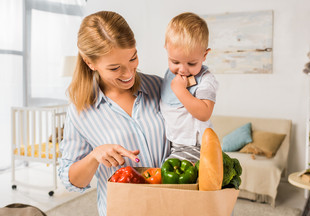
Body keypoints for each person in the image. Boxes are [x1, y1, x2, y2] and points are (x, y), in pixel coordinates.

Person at [58, 11, 170, 216]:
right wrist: (94, 156)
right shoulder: (80, 110)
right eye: (115, 68)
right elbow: (72, 181)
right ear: (90, 63)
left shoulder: (160, 87)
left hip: (172, 207)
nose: (128, 73)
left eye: (133, 58)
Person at [160, 12, 219, 163]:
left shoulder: (206, 80)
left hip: (195, 145)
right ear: (166, 49)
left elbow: (205, 112)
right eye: (175, 62)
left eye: (191, 63)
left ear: (205, 55)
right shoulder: (169, 76)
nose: (183, 70)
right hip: (172, 143)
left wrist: (181, 91)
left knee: (169, 182)